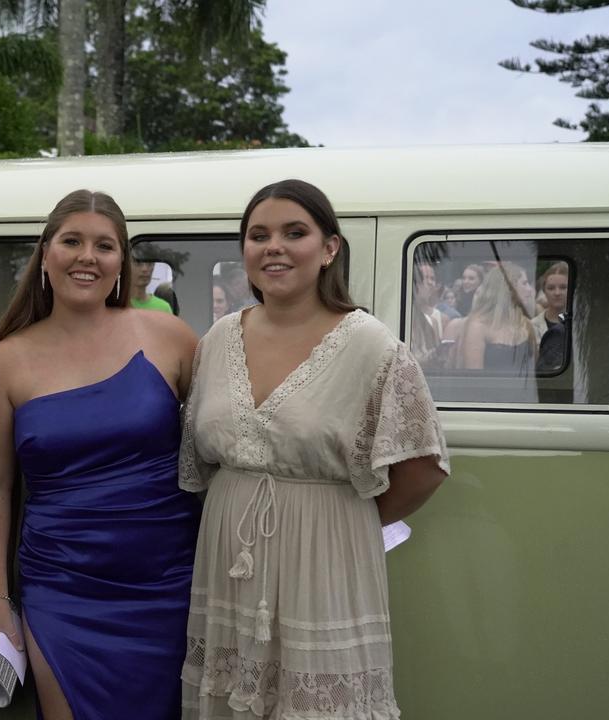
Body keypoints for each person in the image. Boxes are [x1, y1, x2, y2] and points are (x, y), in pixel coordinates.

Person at [179, 179, 448, 719]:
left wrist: (339, 523)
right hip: (229, 558)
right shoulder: (216, 340)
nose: (273, 246)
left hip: (328, 554)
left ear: (329, 248)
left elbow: (423, 466)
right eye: (259, 235)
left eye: (294, 232)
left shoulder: (372, 345)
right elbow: (200, 462)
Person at [0, 190, 200, 720]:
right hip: (62, 589)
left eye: (105, 245)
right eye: (72, 241)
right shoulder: (6, 361)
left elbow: (227, 432)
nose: (87, 257)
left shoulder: (170, 338)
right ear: (45, 251)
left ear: (123, 261)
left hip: (169, 584)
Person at [452, 263, 538, 373]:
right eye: (524, 284)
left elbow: (535, 371)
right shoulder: (478, 326)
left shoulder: (526, 324)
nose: (529, 290)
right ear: (508, 288)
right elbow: (474, 378)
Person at [409, 261, 446, 367]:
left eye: (432, 278)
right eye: (424, 278)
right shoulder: (401, 317)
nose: (430, 283)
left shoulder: (426, 320)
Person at [530, 261, 569, 341]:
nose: (557, 293)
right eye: (551, 288)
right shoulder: (533, 326)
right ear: (544, 291)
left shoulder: (580, 324)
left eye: (563, 287)